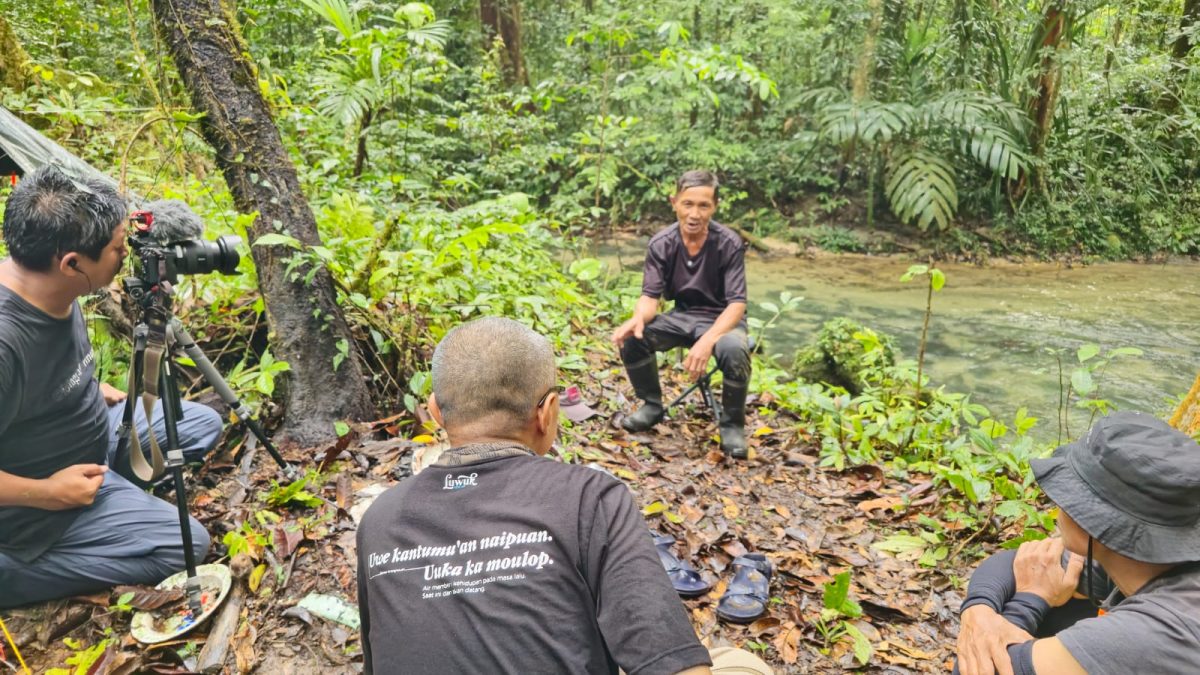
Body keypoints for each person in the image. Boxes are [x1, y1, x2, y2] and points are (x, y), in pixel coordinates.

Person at [356, 317, 773, 674]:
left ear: (435, 412)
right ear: (548, 412)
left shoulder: (380, 517)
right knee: (743, 663)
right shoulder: (590, 498)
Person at [0, 166, 223, 608]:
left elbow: (41, 372)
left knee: (202, 424)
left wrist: (84, 385)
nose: (127, 256)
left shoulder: (47, 283)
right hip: (38, 506)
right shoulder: (6, 342)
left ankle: (115, 495)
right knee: (187, 545)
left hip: (90, 436)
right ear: (72, 264)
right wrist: (48, 493)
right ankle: (14, 573)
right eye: (118, 248)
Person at [955, 411, 1200, 675]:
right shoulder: (1147, 562)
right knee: (1056, 595)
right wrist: (979, 613)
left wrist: (1030, 599)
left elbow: (977, 670)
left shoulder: (1153, 633)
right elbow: (1014, 563)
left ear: (1091, 522)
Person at [611, 170, 751, 458]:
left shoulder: (729, 243)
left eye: (704, 205)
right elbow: (650, 297)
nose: (694, 213)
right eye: (688, 204)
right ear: (674, 202)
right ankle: (652, 405)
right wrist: (637, 318)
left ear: (715, 206)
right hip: (682, 316)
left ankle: (732, 425)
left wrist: (708, 340)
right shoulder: (661, 243)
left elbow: (737, 304)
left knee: (734, 349)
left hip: (722, 319)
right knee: (635, 337)